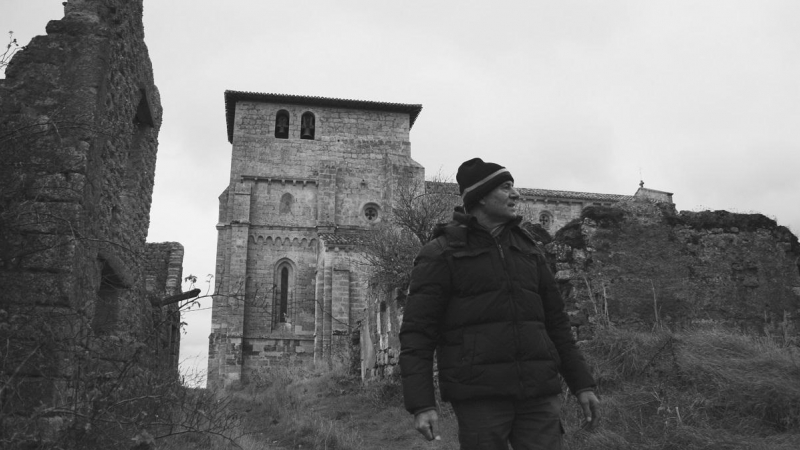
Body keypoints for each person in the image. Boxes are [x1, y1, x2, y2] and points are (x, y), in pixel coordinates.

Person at [399, 158, 600, 449]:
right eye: (506, 187)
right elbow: (417, 333)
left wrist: (582, 383)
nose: (516, 195)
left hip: (538, 394)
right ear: (480, 196)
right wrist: (421, 404)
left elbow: (557, 325)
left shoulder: (529, 250)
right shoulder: (442, 253)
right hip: (480, 397)